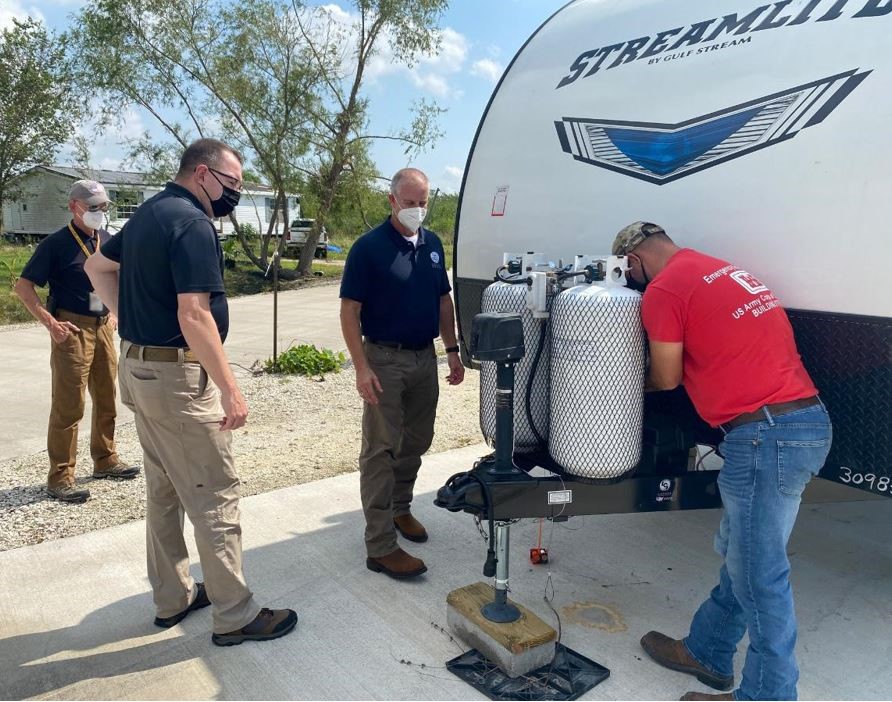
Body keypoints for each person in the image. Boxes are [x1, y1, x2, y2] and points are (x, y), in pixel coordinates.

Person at [85, 138, 296, 646]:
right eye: (233, 183)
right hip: (178, 380)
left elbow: (96, 267)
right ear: (203, 174)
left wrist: (126, 319)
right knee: (214, 495)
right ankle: (235, 614)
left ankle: (173, 596)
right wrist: (231, 389)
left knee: (164, 490)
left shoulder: (151, 214)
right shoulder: (193, 223)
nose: (236, 194)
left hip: (140, 370)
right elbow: (194, 314)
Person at [611, 222, 832, 701]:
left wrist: (620, 380)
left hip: (763, 437)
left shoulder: (664, 288)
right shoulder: (718, 269)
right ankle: (708, 649)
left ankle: (767, 696)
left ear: (634, 261)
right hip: (804, 422)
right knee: (742, 554)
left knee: (759, 575)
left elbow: (666, 378)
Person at [339, 167, 465, 580]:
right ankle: (380, 546)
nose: (417, 210)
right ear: (392, 200)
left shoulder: (431, 244)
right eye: (410, 202)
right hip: (384, 360)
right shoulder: (369, 248)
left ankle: (400, 508)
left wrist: (452, 351)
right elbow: (349, 310)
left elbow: (443, 301)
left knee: (416, 439)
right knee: (380, 449)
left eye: (423, 202)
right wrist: (361, 367)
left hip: (423, 358)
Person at [15, 180, 139, 503]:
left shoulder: (107, 241)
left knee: (107, 397)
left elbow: (117, 279)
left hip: (102, 327)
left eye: (104, 206)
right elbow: (23, 287)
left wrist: (114, 312)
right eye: (93, 206)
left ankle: (106, 458)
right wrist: (51, 324)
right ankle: (60, 477)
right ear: (74, 207)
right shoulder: (56, 244)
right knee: (69, 405)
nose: (100, 212)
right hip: (72, 329)